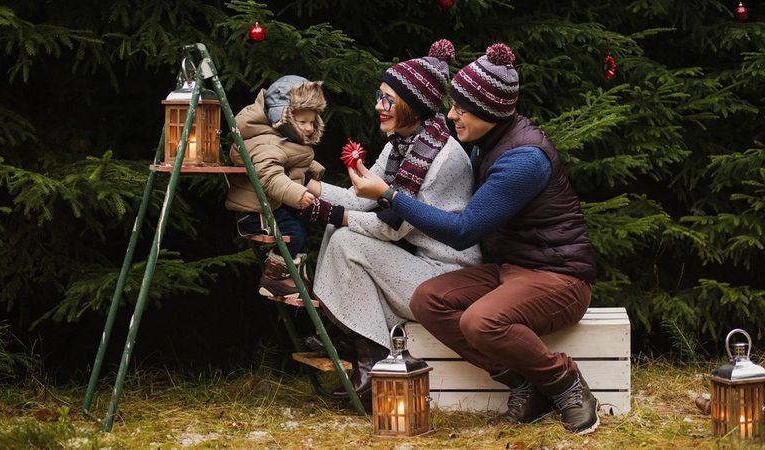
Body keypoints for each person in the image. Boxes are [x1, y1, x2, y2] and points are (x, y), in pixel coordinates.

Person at [347, 42, 600, 434]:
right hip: (510, 270)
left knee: (481, 322)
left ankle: (566, 384)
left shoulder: (524, 159)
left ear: (490, 110)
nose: (450, 115)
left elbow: (464, 232)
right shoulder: (488, 143)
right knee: (429, 299)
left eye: (460, 108)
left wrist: (389, 195)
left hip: (559, 277)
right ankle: (523, 384)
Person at [299, 39, 481, 400]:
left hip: (446, 277)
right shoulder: (402, 144)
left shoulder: (440, 159)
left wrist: (330, 212)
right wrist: (306, 188)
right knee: (341, 227)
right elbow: (359, 199)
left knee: (346, 236)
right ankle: (348, 336)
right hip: (415, 262)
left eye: (387, 99)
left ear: (412, 105)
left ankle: (373, 360)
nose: (378, 106)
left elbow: (392, 227)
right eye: (379, 96)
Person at [225, 75, 326, 299]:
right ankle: (274, 277)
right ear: (282, 117)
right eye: (303, 122)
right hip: (255, 213)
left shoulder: (279, 135)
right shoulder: (265, 143)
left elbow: (291, 158)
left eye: (313, 122)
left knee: (300, 226)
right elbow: (269, 176)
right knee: (293, 232)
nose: (309, 128)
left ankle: (288, 274)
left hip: (271, 206)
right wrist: (298, 193)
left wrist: (312, 168)